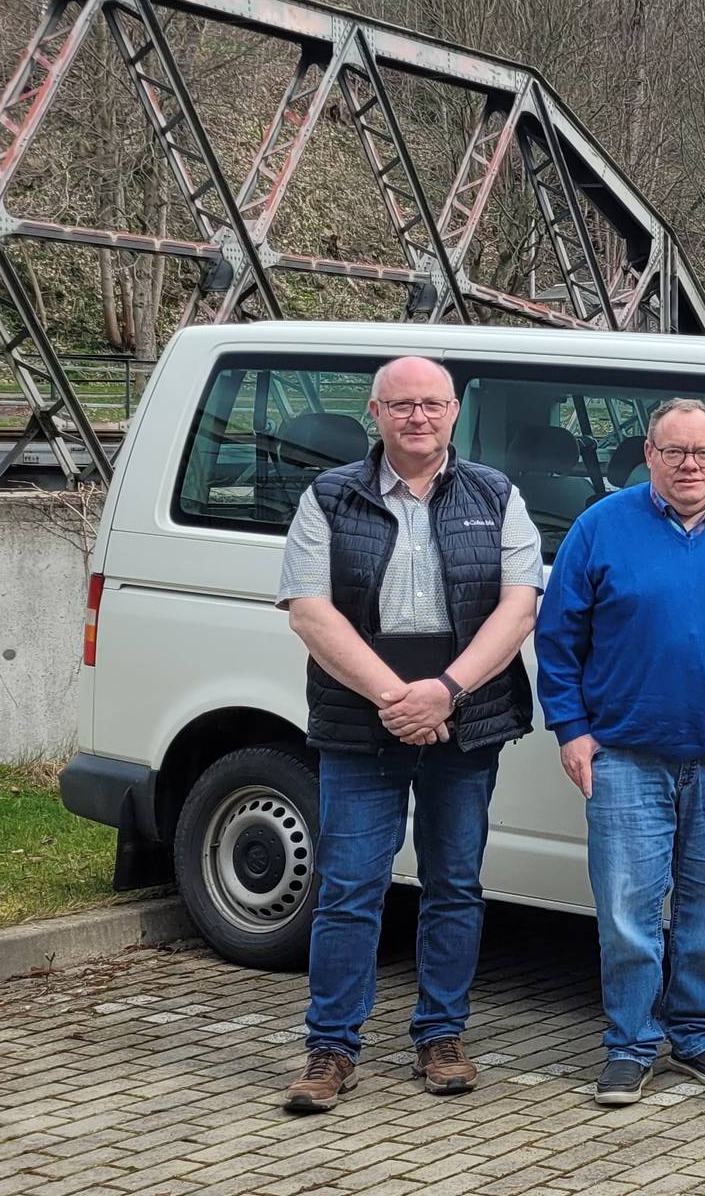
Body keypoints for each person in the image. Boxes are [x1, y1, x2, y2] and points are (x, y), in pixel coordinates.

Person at [276, 356, 543, 1113]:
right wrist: (397, 697)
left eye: (431, 404)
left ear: (454, 411)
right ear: (374, 412)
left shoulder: (497, 496)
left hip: (466, 721)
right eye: (401, 405)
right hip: (364, 720)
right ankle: (330, 1048)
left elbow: (519, 609)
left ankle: (441, 1036)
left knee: (454, 885)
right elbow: (308, 610)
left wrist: (447, 692)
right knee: (350, 889)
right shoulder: (329, 496)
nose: (417, 417)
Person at [535, 398, 705, 1107]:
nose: (690, 465)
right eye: (674, 451)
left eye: (703, 452)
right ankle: (630, 1043)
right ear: (648, 454)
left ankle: (694, 1033)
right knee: (627, 910)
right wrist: (571, 729)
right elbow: (557, 641)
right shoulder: (600, 528)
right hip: (624, 755)